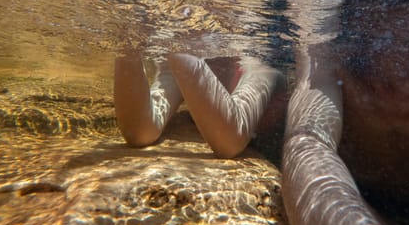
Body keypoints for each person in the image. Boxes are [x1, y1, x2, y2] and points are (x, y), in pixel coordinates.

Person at [114, 51, 287, 158]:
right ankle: (125, 39)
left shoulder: (261, 69)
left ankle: (131, 38)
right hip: (193, 52)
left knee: (229, 142)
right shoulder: (184, 65)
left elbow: (230, 141)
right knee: (138, 135)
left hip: (271, 150)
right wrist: (128, 47)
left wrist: (177, 45)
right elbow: (140, 132)